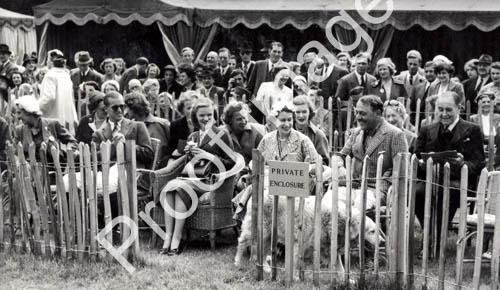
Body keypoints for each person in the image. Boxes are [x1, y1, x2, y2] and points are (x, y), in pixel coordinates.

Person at [159, 97, 235, 255]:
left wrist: (207, 155)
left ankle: (176, 239)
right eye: (202, 115)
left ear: (214, 115)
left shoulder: (221, 134)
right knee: (170, 188)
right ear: (195, 117)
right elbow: (190, 163)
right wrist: (188, 154)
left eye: (209, 115)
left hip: (212, 180)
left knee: (179, 188)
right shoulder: (193, 136)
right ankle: (169, 237)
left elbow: (231, 163)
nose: (206, 118)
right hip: (191, 178)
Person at [414, 91, 485, 253]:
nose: (444, 114)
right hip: (431, 178)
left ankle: (434, 240)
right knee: (417, 193)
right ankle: (430, 233)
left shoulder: (472, 130)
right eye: (440, 109)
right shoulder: (427, 130)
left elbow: (479, 163)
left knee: (447, 193)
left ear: (458, 109)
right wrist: (422, 164)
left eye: (448, 110)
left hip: (458, 181)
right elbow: (416, 156)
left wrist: (462, 164)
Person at [333, 95, 408, 196]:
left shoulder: (395, 134)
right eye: (357, 112)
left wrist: (381, 188)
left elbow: (401, 172)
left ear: (378, 113)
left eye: (363, 113)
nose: (358, 117)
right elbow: (339, 155)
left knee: (356, 210)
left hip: (377, 193)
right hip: (352, 187)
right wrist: (339, 167)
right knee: (328, 205)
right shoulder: (356, 133)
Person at [92, 91, 153, 169]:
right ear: (106, 109)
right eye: (115, 107)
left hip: (133, 173)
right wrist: (113, 146)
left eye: (122, 106)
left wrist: (126, 145)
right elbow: (94, 159)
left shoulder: (137, 126)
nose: (120, 110)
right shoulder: (98, 134)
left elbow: (149, 155)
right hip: (107, 175)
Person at [14, 94, 78, 161]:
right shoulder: (19, 130)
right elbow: (15, 153)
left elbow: (72, 142)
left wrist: (66, 152)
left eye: (19, 113)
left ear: (29, 112)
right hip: (29, 169)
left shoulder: (52, 124)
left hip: (54, 169)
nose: (17, 117)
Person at [125, 92, 171, 169]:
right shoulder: (134, 124)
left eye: (126, 108)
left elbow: (158, 156)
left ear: (134, 108)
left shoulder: (156, 125)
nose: (125, 112)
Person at [38, 50, 78, 132]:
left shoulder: (50, 75)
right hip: (67, 116)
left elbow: (49, 97)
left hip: (54, 116)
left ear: (51, 61)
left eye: (47, 60)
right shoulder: (66, 75)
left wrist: (37, 108)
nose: (47, 62)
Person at [293, 95, 329, 164]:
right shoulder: (287, 132)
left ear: (310, 113)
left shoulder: (318, 135)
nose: (301, 115)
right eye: (297, 112)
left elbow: (324, 163)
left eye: (304, 112)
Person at [168, 91, 199, 157]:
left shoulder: (204, 123)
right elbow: (171, 148)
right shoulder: (175, 125)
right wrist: (174, 152)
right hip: (181, 159)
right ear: (182, 110)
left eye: (194, 107)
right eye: (189, 108)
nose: (192, 111)